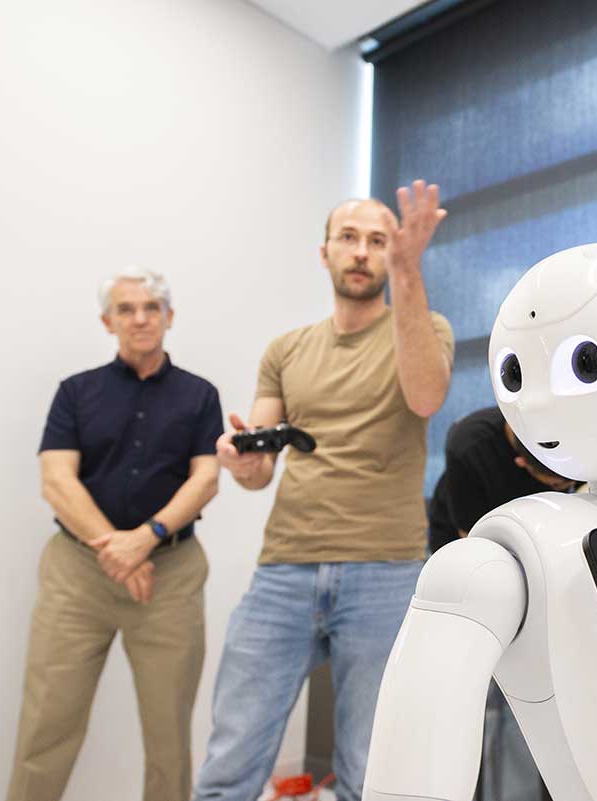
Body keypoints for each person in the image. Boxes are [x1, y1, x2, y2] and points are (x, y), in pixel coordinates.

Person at [192, 181, 455, 801]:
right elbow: (260, 468)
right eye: (349, 238)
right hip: (284, 566)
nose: (362, 252)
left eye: (377, 241)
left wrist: (409, 273)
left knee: (370, 769)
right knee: (230, 763)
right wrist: (241, 458)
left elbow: (426, 397)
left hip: (385, 568)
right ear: (325, 253)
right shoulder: (286, 349)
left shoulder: (424, 326)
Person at [7, 267, 223, 801]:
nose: (140, 318)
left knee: (170, 734)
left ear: (169, 317)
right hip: (78, 576)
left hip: (169, 577)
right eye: (126, 309)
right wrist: (119, 547)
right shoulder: (75, 393)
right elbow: (56, 479)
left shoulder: (200, 396)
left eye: (152, 307)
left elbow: (207, 478)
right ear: (108, 321)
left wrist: (145, 538)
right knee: (46, 724)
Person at [427, 405, 580, 801]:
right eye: (557, 483)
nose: (564, 488)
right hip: (473, 557)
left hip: (545, 563)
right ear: (520, 464)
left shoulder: (576, 433)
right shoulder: (469, 445)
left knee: (545, 706)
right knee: (484, 697)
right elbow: (474, 550)